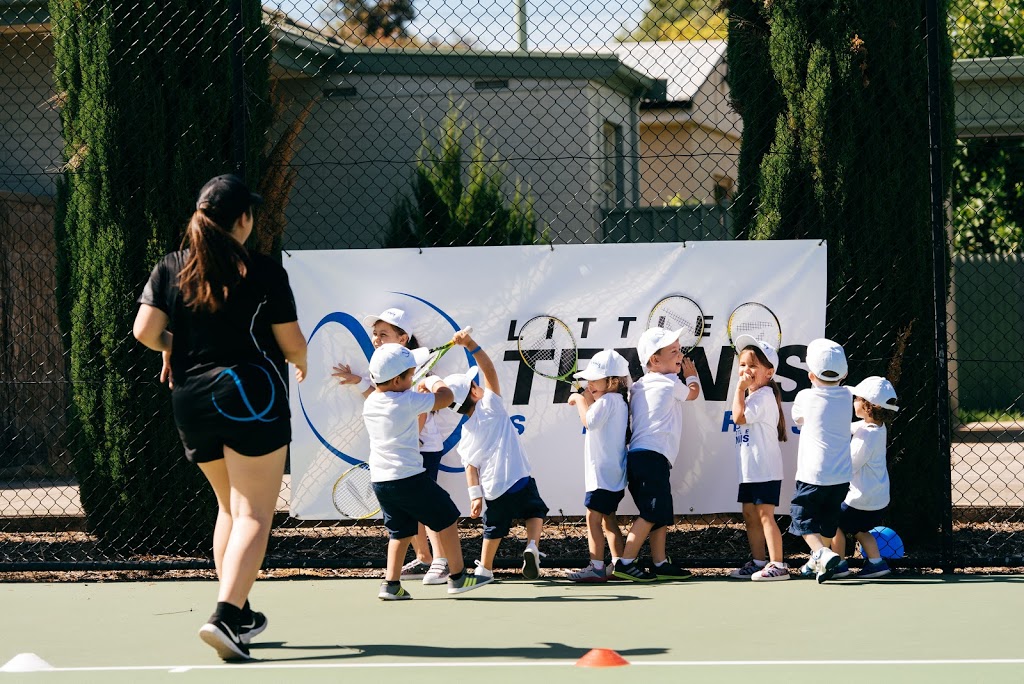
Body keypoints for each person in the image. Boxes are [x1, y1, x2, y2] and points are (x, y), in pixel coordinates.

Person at [132, 174, 307, 661]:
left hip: (191, 399)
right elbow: (290, 342)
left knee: (230, 507)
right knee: (255, 512)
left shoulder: (171, 267)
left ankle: (242, 611)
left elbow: (144, 331)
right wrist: (303, 359)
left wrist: (174, 347)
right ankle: (226, 617)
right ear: (243, 220)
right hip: (251, 396)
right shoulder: (263, 270)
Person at [362, 343, 490, 599]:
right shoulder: (407, 400)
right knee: (448, 516)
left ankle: (391, 585)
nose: (412, 379)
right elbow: (446, 398)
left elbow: (409, 397)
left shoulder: (373, 401)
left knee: (400, 532)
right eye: (410, 375)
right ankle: (457, 577)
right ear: (397, 380)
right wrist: (434, 382)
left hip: (382, 481)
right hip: (408, 478)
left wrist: (416, 384)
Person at [332, 309, 448, 585]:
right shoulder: (383, 370)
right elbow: (384, 403)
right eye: (375, 333)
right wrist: (360, 381)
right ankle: (424, 559)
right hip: (403, 453)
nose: (376, 339)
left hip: (424, 449)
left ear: (403, 338)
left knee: (429, 508)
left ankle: (442, 562)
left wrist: (416, 434)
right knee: (411, 510)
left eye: (383, 334)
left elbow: (422, 407)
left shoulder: (419, 373)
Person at [443, 330, 549, 580]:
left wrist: (475, 497)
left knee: (493, 528)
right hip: (519, 478)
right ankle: (532, 546)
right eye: (475, 384)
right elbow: (489, 369)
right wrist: (470, 344)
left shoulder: (466, 433)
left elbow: (470, 467)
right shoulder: (491, 407)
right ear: (475, 393)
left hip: (493, 488)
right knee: (535, 512)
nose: (481, 385)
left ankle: (485, 568)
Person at [612, 327, 700, 582]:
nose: (680, 355)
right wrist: (691, 376)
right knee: (651, 512)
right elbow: (692, 395)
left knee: (658, 513)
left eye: (679, 349)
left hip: (641, 459)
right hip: (652, 458)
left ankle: (660, 563)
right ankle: (626, 562)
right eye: (673, 351)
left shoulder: (638, 386)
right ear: (654, 360)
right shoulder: (671, 382)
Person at [790, 338, 852, 584]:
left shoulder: (805, 396)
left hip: (812, 476)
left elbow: (799, 419)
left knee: (801, 517)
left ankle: (820, 553)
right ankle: (817, 562)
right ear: (844, 373)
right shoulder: (848, 396)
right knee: (828, 522)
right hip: (841, 477)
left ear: (810, 375)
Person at [728, 336, 790, 582]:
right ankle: (758, 562)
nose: (746, 370)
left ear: (769, 372)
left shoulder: (763, 395)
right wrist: (743, 391)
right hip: (750, 472)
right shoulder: (753, 395)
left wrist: (739, 389)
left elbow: (739, 418)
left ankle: (778, 564)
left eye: (753, 365)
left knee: (765, 516)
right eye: (742, 364)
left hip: (765, 471)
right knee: (750, 515)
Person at [565, 349, 630, 583]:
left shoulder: (608, 401)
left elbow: (589, 421)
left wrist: (580, 399)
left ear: (612, 381)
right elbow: (595, 407)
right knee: (609, 519)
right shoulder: (617, 400)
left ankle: (596, 566)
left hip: (601, 476)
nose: (589, 384)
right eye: (588, 380)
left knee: (592, 518)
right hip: (613, 476)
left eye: (595, 380)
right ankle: (620, 564)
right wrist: (587, 394)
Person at [830, 376, 898, 579]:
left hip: (860, 500)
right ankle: (877, 564)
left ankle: (838, 564)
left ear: (868, 406)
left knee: (834, 523)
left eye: (857, 398)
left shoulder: (867, 436)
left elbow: (850, 465)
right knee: (861, 529)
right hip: (877, 499)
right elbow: (849, 428)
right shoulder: (876, 427)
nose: (854, 402)